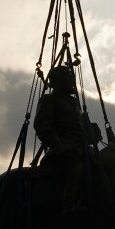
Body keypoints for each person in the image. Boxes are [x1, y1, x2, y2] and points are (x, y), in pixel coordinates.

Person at [34, 66, 86, 211]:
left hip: (80, 148)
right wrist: (57, 145)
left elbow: (77, 126)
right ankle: (69, 205)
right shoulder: (49, 99)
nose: (73, 81)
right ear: (58, 81)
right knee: (76, 167)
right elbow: (42, 125)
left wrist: (90, 129)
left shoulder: (73, 102)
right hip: (62, 150)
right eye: (69, 78)